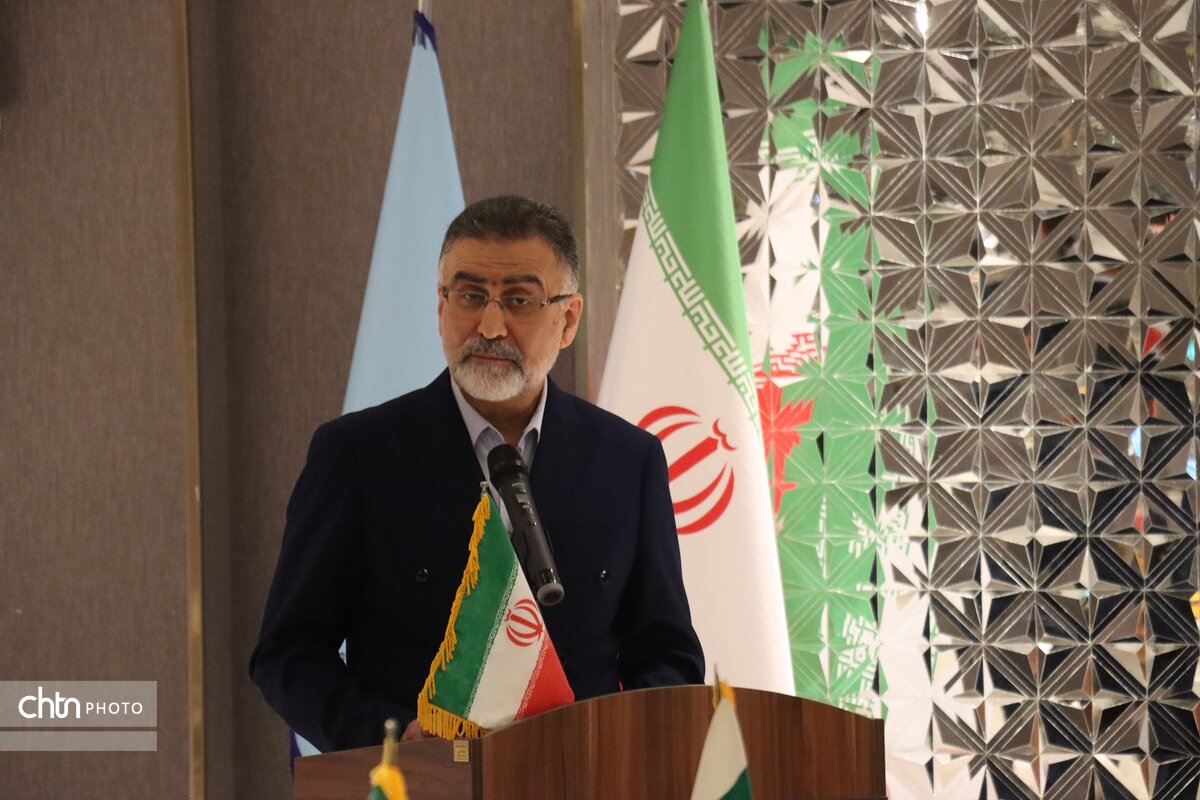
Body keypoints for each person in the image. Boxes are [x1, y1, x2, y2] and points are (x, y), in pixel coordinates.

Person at [250, 195, 704, 751]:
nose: (490, 326)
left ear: (567, 319)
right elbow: (289, 653)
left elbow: (667, 654)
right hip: (416, 779)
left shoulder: (627, 461)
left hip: (582, 776)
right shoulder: (357, 455)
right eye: (470, 296)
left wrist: (615, 746)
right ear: (441, 307)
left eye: (519, 300)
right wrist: (393, 737)